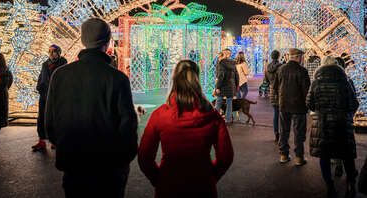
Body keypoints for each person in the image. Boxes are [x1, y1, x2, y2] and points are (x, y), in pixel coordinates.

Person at [45, 18, 138, 198]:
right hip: (109, 168)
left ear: (82, 40)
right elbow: (128, 126)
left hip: (74, 164)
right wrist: (122, 159)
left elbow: (51, 122)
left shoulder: (61, 75)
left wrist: (66, 148)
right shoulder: (117, 79)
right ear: (108, 40)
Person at [138, 60, 234, 198]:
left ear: (174, 79)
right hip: (203, 186)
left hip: (168, 185)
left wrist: (158, 179)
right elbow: (226, 156)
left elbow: (144, 156)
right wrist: (211, 177)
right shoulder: (213, 116)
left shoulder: (159, 115)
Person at [307, 56, 359, 198]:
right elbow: (354, 103)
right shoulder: (345, 81)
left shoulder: (316, 82)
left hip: (322, 124)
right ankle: (351, 185)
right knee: (347, 155)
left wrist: (319, 110)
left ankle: (330, 187)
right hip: (342, 123)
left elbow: (309, 103)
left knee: (325, 155)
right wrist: (347, 115)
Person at [272, 48, 310, 166]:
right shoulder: (302, 71)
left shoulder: (281, 69)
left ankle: (283, 155)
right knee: (299, 132)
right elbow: (307, 91)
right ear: (298, 57)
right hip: (299, 106)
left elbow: (275, 87)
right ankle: (299, 157)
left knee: (284, 130)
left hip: (284, 104)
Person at [32, 45, 67, 152]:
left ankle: (55, 141)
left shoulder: (63, 65)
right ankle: (41, 141)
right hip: (44, 95)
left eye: (54, 51)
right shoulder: (45, 64)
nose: (51, 53)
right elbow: (41, 77)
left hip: (57, 96)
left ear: (59, 52)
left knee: (55, 118)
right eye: (50, 51)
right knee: (41, 118)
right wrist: (39, 88)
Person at [215, 49, 239, 125]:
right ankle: (228, 120)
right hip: (231, 85)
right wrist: (236, 85)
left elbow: (221, 76)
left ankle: (215, 119)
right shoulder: (233, 63)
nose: (218, 58)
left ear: (222, 56)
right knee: (229, 103)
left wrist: (217, 87)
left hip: (223, 85)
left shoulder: (222, 63)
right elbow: (236, 75)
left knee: (218, 102)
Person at [265, 50, 282, 143]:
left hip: (272, 91)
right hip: (281, 91)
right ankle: (282, 133)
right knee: (283, 114)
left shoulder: (267, 67)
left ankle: (276, 133)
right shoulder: (281, 67)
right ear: (279, 56)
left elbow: (266, 81)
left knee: (276, 113)